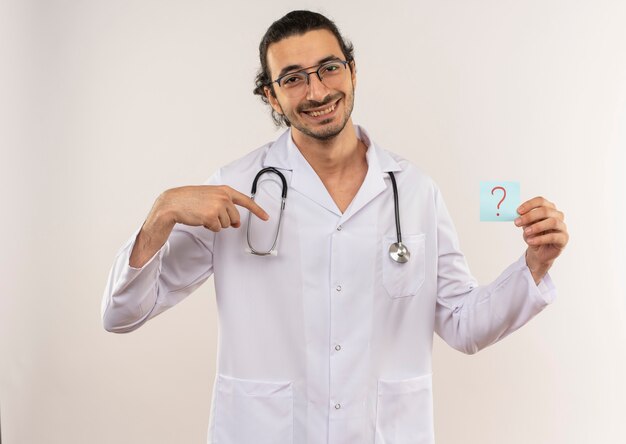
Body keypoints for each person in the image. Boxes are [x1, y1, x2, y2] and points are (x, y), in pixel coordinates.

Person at [102, 10, 569, 444]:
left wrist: (534, 263)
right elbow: (122, 315)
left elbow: (464, 325)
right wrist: (161, 212)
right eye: (293, 78)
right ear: (271, 95)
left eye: (329, 68)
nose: (318, 92)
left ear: (351, 70)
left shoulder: (414, 191)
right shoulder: (235, 189)